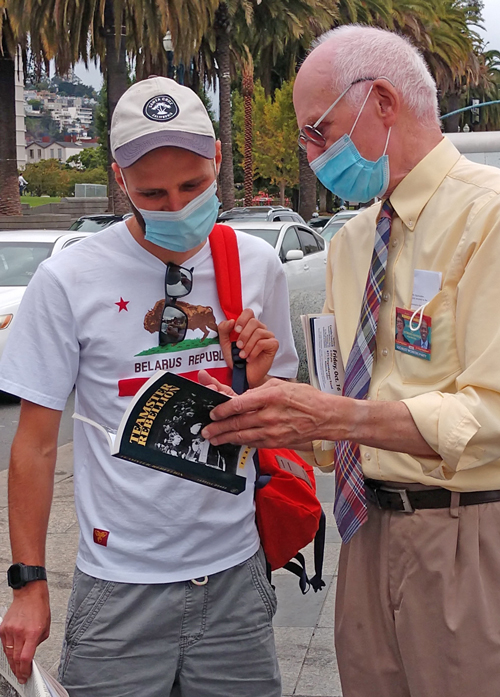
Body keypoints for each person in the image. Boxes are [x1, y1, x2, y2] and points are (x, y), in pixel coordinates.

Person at [202, 25, 500, 697]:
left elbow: (490, 410)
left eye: (319, 130)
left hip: (466, 530)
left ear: (384, 103)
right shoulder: (350, 242)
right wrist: (279, 412)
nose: (311, 154)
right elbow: (346, 397)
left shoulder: (489, 218)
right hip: (364, 534)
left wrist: (340, 413)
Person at [0, 77, 298, 697]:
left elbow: (280, 418)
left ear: (217, 159)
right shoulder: (68, 279)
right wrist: (28, 582)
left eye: (193, 186)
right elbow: (33, 444)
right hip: (118, 589)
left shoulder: (257, 267)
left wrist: (258, 381)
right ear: (119, 180)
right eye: (152, 193)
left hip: (234, 580)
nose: (176, 207)